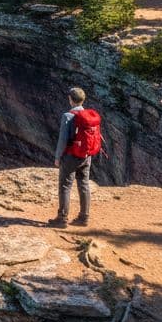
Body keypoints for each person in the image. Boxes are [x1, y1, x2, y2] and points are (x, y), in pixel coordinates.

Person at [47, 87, 104, 227]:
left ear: (70, 99)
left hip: (71, 156)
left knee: (65, 186)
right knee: (84, 184)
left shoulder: (68, 116)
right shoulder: (89, 116)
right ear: (83, 100)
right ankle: (84, 218)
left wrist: (57, 157)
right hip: (86, 156)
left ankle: (62, 219)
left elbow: (63, 139)